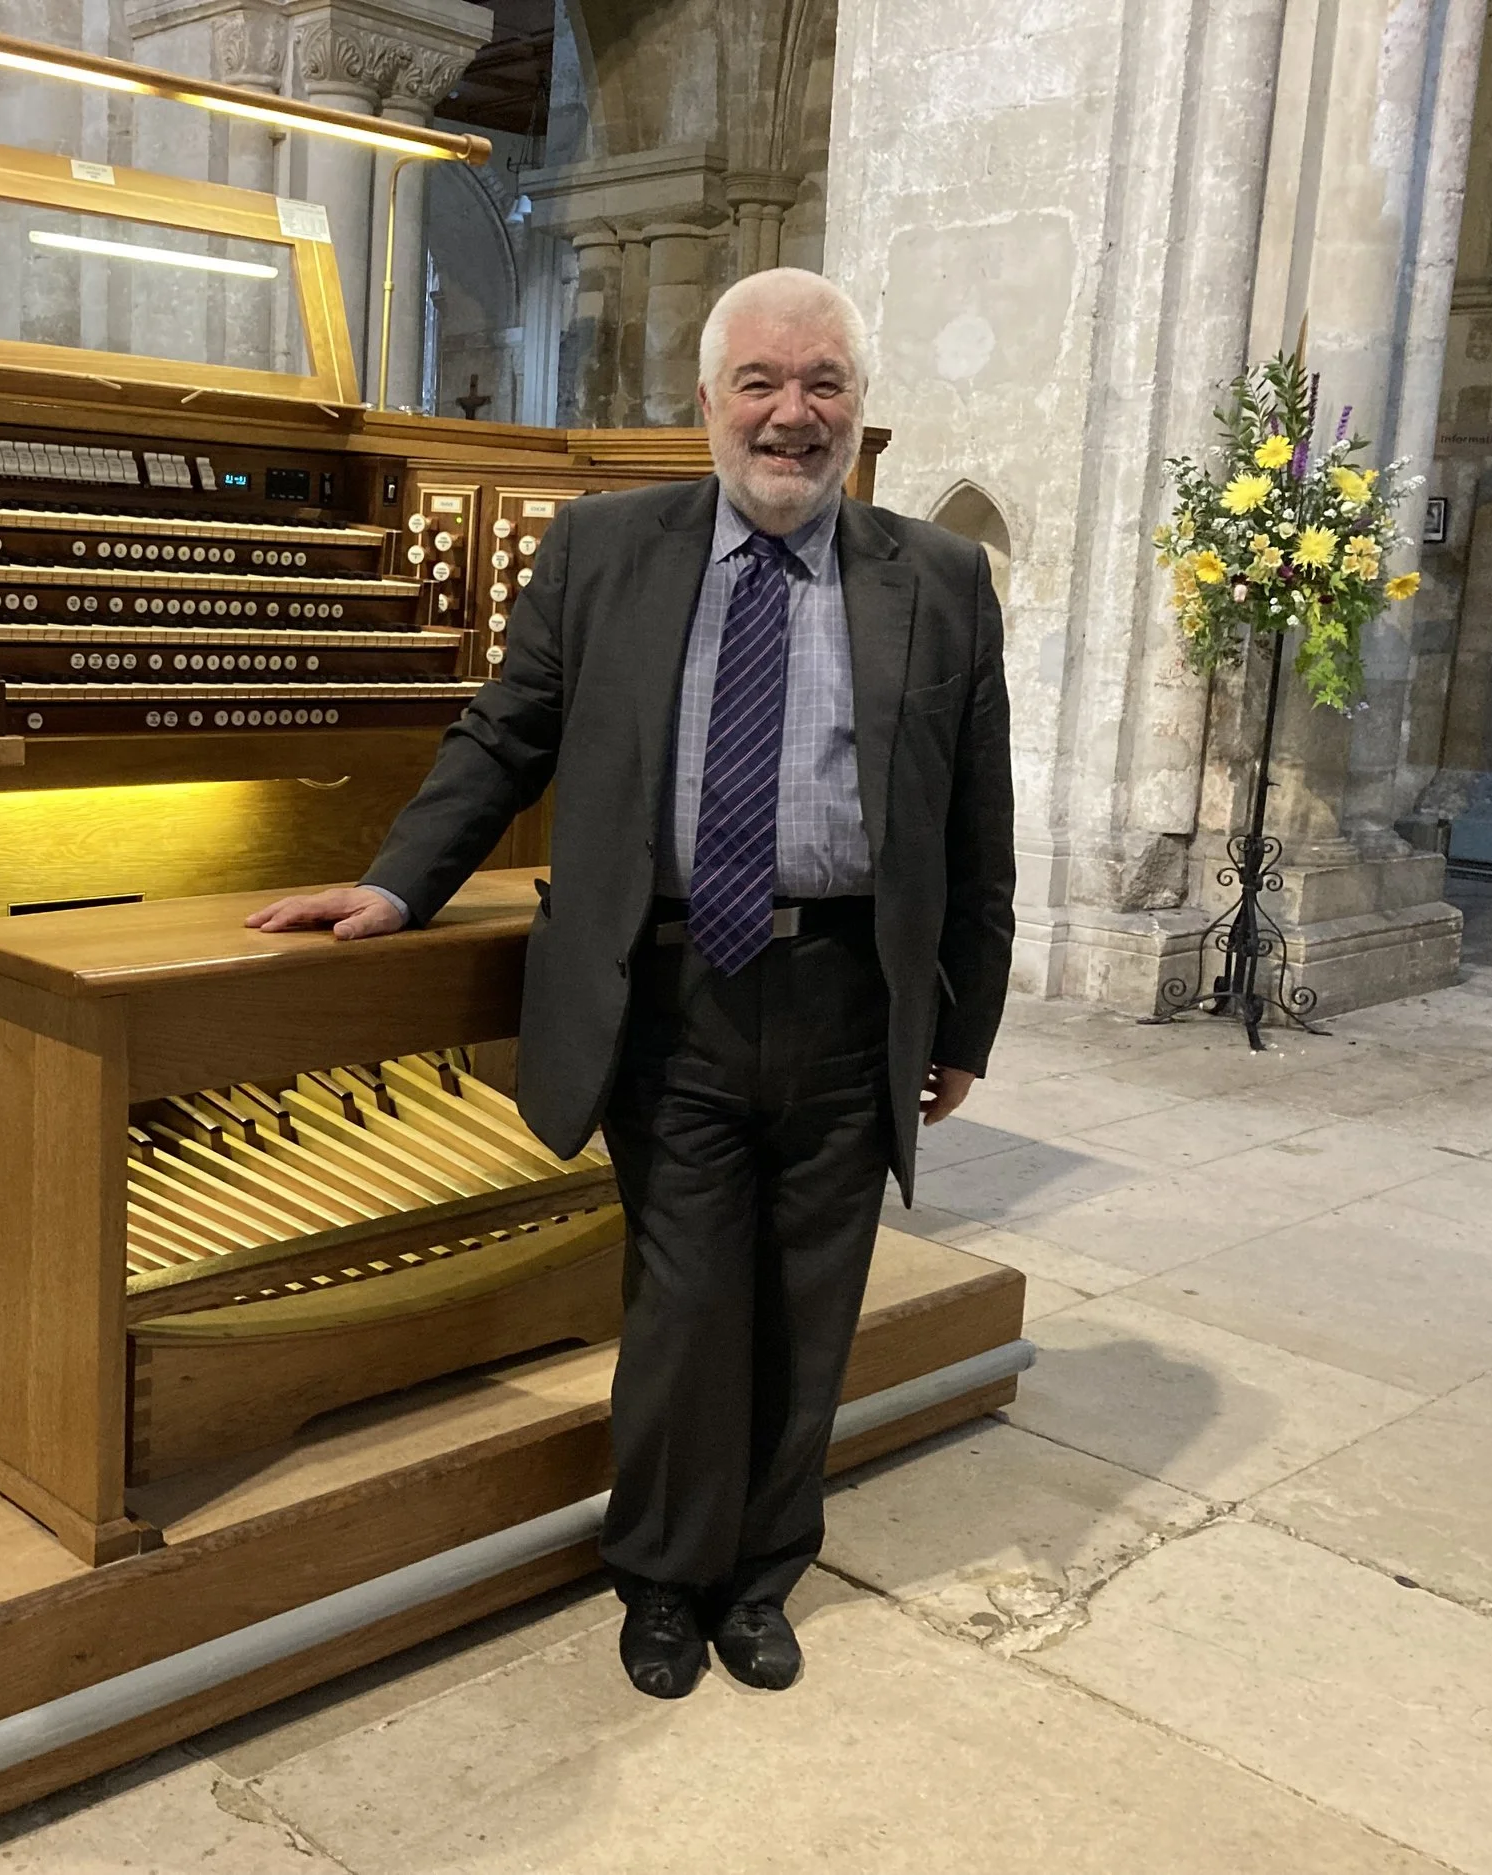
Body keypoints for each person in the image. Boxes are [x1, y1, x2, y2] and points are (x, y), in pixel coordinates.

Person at [247, 266, 1015, 1699]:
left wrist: (964, 1016)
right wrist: (398, 878)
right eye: (763, 384)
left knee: (813, 1303)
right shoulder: (608, 548)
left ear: (859, 407)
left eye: (825, 385)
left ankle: (766, 1569)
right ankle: (662, 1574)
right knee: (682, 1305)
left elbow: (980, 821)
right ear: (707, 402)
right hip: (673, 986)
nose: (794, 416)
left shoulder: (940, 579)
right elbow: (505, 731)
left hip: (852, 993)